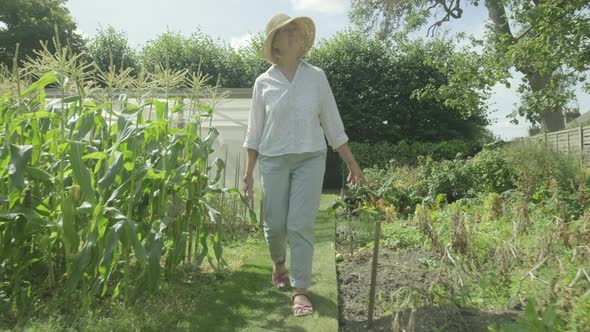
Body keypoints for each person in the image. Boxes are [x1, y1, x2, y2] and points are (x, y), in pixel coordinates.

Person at [242, 13, 365, 317]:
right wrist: (247, 174)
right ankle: (278, 264)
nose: (295, 33)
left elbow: (332, 123)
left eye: (297, 29)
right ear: (276, 43)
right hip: (273, 160)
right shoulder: (263, 83)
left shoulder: (317, 77)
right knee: (275, 226)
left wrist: (351, 162)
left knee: (300, 224)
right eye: (288, 30)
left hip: (311, 157)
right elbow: (254, 132)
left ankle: (300, 290)